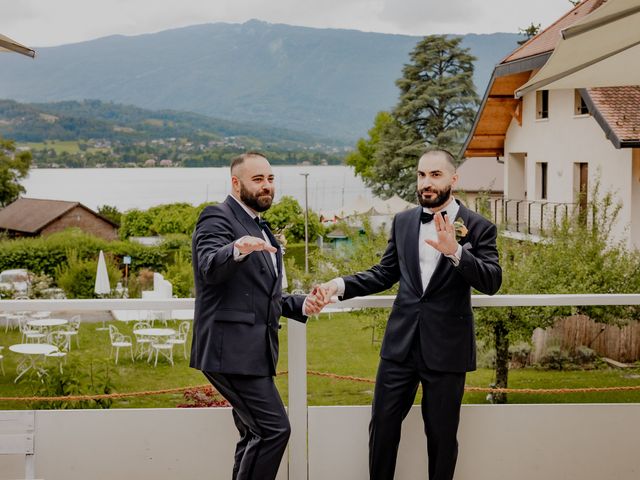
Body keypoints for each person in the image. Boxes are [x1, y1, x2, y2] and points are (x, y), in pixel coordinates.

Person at [317, 149, 502, 480]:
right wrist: (338, 284)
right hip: (399, 347)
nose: (426, 183)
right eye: (421, 175)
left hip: (447, 350)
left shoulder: (479, 227)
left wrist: (456, 252)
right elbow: (384, 273)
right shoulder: (403, 221)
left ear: (453, 179)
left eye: (435, 175)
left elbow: (492, 281)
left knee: (442, 437)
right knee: (383, 429)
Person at [190, 151, 324, 480]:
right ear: (236, 183)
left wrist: (301, 304)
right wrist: (236, 249)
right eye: (258, 179)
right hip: (229, 351)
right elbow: (209, 265)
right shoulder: (216, 217)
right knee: (274, 431)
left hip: (253, 353)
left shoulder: (259, 225)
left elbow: (263, 295)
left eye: (270, 179)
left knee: (254, 434)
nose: (266, 186)